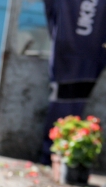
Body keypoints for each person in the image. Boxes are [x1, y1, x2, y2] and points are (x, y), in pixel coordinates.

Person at [40, 0, 106, 165]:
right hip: (84, 58)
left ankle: (52, 154)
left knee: (64, 101)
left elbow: (50, 12)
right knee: (67, 101)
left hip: (68, 57)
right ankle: (56, 154)